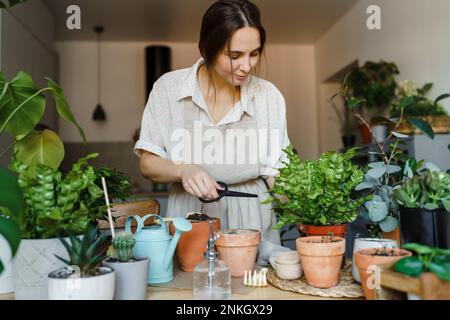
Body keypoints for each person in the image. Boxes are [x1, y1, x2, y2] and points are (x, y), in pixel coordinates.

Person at [134, 0, 291, 265]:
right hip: (189, 216)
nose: (247, 66)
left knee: (253, 292)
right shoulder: (169, 89)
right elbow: (148, 163)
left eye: (254, 53)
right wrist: (183, 169)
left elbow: (277, 173)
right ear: (206, 48)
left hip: (251, 215)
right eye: (234, 55)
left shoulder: (268, 97)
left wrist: (309, 205)